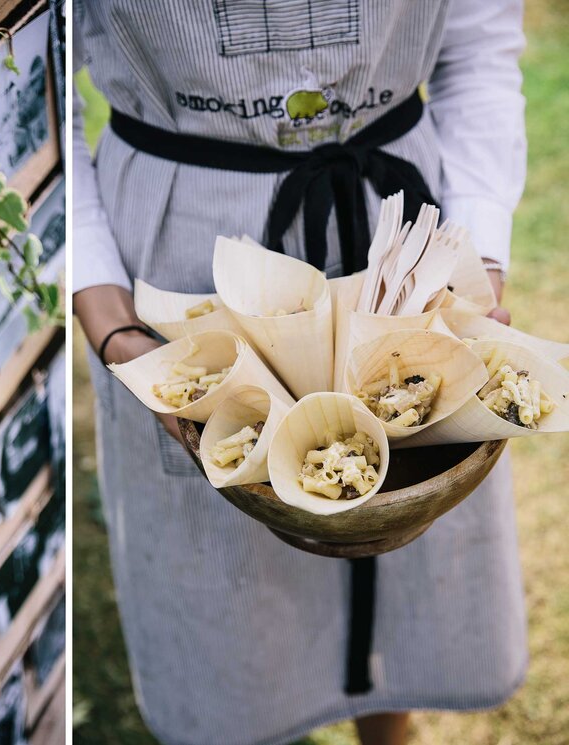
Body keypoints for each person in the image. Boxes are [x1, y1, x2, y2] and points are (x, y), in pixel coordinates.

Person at [73, 2, 525, 745]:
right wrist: (114, 322)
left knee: (405, 529)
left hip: (400, 245)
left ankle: (390, 727)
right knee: (232, 591)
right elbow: (29, 100)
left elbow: (477, 45)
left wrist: (479, 266)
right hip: (190, 259)